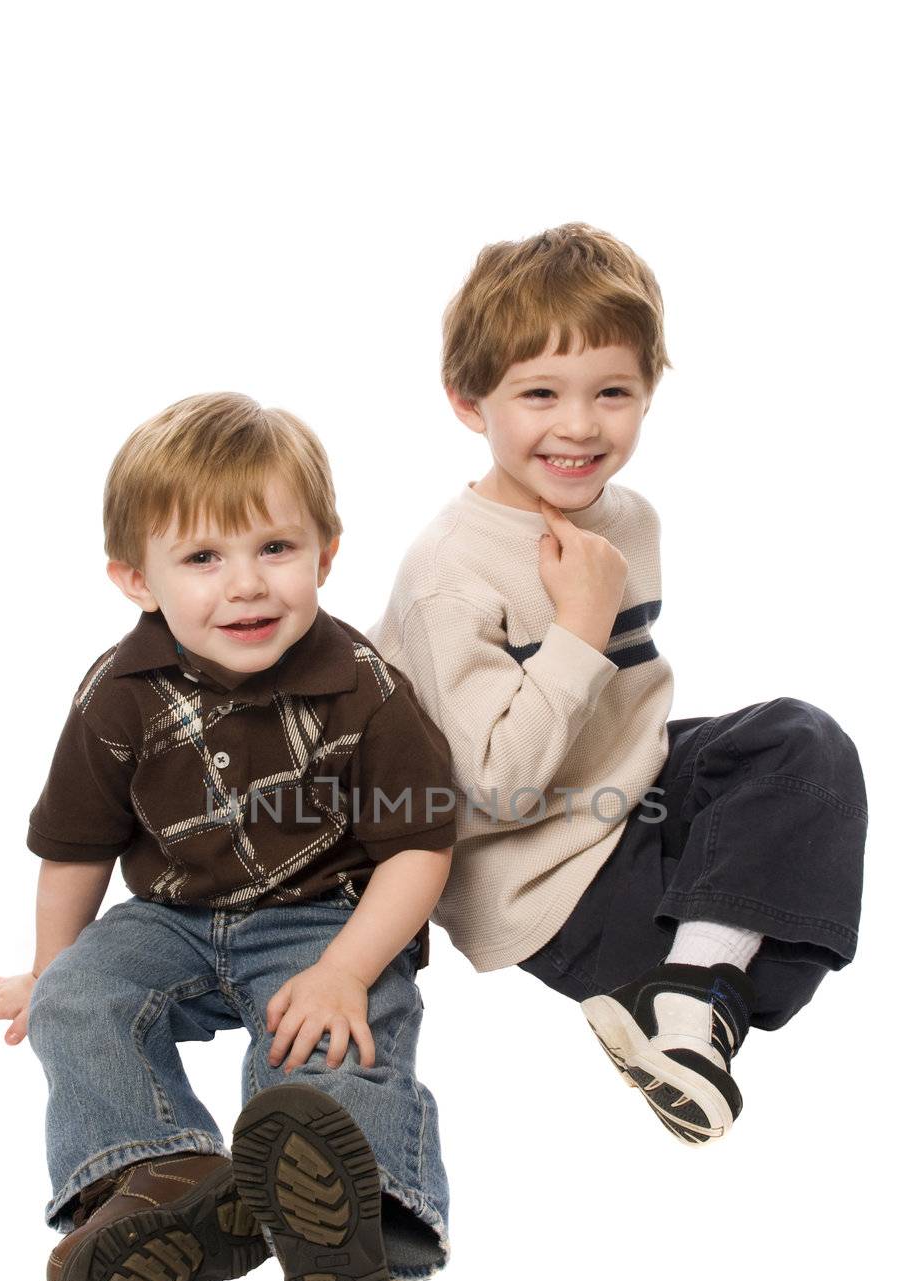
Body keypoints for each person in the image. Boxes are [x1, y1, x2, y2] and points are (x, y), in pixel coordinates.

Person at [0, 392, 456, 1281]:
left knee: (336, 1033)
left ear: (326, 554)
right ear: (137, 578)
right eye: (204, 558)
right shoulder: (117, 695)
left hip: (319, 917)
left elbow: (419, 847)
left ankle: (350, 1216)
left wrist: (347, 965)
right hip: (169, 916)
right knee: (79, 996)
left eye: (275, 549)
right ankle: (156, 1179)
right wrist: (49, 970)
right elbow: (78, 848)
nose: (247, 586)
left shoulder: (367, 688)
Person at [370, 222, 867, 1145]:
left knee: (802, 746)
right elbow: (499, 787)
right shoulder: (450, 570)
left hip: (632, 785)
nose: (579, 425)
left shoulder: (628, 518)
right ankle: (688, 991)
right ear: (468, 402)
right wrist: (580, 625)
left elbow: (629, 712)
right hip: (535, 865)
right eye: (539, 394)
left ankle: (683, 996)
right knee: (773, 939)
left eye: (612, 393)